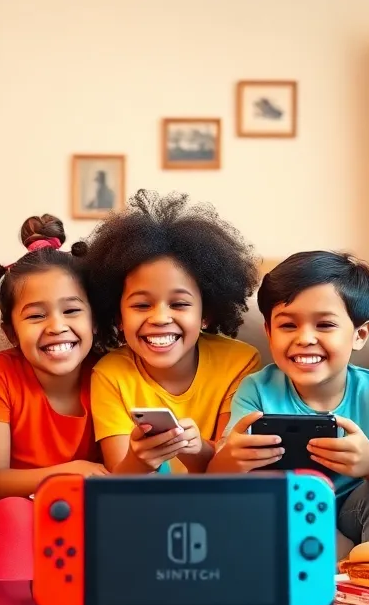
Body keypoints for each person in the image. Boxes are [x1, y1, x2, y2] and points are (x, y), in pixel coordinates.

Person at [213, 251, 369, 545]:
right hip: (287, 513)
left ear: (359, 335)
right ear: (269, 333)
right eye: (288, 325)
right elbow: (219, 472)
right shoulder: (257, 389)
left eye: (324, 325)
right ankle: (333, 566)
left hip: (358, 509)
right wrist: (232, 459)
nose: (305, 338)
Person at [82, 189, 261, 474]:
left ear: (206, 314)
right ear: (118, 316)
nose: (161, 318)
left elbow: (230, 467)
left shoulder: (239, 362)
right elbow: (119, 480)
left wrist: (197, 448)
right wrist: (138, 460)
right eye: (142, 305)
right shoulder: (109, 375)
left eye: (179, 304)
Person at [0, 214, 106, 579]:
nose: (56, 326)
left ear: (94, 320)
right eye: (35, 316)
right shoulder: (0, 372)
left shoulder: (109, 374)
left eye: (72, 310)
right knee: (17, 514)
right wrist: (71, 472)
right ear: (11, 332)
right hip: (13, 509)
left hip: (79, 508)